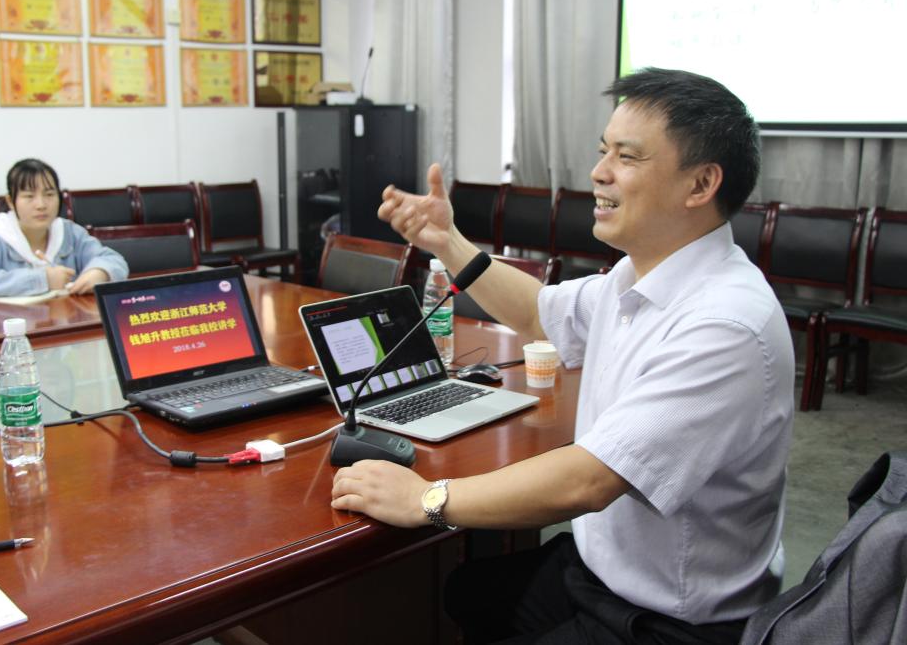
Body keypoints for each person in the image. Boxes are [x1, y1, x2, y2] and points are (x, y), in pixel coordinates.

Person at [331, 68, 795, 644]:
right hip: (603, 567)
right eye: (604, 151)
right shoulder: (636, 274)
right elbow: (539, 313)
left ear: (700, 184)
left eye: (628, 156)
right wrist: (448, 243)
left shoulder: (725, 325)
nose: (599, 172)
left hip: (671, 621)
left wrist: (425, 498)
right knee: (464, 592)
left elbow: (589, 481)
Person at [0, 158, 128, 300]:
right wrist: (42, 279)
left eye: (49, 194)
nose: (41, 205)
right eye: (29, 196)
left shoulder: (69, 232)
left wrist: (100, 272)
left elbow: (114, 260)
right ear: (10, 201)